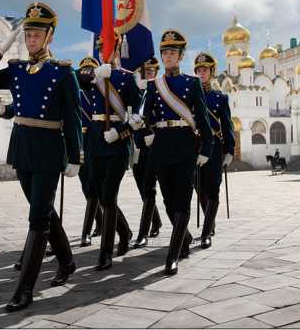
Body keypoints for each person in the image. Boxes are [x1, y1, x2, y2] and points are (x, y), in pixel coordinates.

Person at [0, 1, 82, 312]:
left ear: (49, 37)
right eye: (28, 35)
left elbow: (73, 118)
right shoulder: (17, 70)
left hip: (48, 150)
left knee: (37, 218)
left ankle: (24, 290)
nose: (30, 40)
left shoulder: (63, 74)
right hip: (22, 147)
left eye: (36, 35)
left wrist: (75, 156)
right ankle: (67, 261)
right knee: (43, 209)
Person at [142, 31, 213, 275]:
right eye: (165, 53)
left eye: (172, 52)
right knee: (167, 199)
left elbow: (202, 117)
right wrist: (146, 133)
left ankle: (172, 256)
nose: (168, 56)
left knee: (182, 198)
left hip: (184, 144)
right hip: (161, 145)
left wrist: (206, 147)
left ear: (180, 56)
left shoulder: (192, 83)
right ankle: (183, 238)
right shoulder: (154, 85)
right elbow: (146, 115)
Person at [79, 30, 140, 271]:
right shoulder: (92, 77)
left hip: (116, 143)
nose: (103, 52)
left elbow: (139, 115)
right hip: (95, 143)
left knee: (107, 195)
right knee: (98, 193)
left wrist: (122, 132)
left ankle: (105, 253)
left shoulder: (127, 78)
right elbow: (78, 78)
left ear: (117, 49)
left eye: (107, 48)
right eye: (100, 48)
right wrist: (95, 74)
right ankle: (124, 232)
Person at [193, 52, 235, 249]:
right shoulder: (190, 96)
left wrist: (230, 150)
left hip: (215, 149)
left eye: (204, 70)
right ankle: (211, 222)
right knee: (198, 188)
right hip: (195, 147)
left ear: (211, 72)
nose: (201, 73)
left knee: (213, 189)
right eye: (198, 70)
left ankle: (206, 231)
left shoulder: (220, 97)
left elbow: (227, 125)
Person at [131, 57, 163, 249]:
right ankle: (156, 221)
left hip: (157, 146)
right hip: (138, 148)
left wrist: (153, 133)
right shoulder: (135, 94)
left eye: (151, 72)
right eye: (145, 72)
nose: (148, 75)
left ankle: (143, 233)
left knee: (159, 190)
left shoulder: (160, 92)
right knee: (144, 189)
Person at [75, 56, 103, 247]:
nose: (86, 73)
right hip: (80, 141)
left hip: (97, 140)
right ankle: (101, 224)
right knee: (87, 187)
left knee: (97, 189)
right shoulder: (75, 92)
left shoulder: (100, 91)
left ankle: (89, 230)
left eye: (90, 70)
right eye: (83, 70)